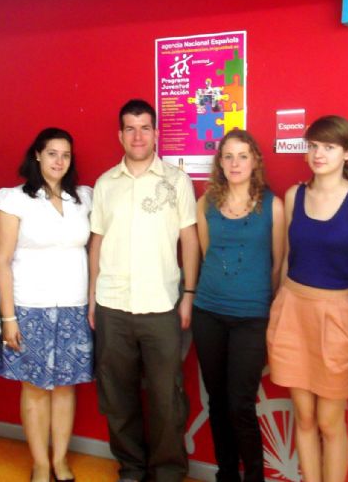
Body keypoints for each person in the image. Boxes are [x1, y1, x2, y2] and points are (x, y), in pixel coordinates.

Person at [88, 99, 200, 482]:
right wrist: (92, 298)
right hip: (112, 305)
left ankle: (167, 472)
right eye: (130, 128)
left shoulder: (177, 181)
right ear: (120, 135)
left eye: (145, 128)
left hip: (162, 306)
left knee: (167, 398)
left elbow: (189, 239)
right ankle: (132, 467)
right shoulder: (105, 184)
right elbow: (97, 242)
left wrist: (189, 294)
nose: (138, 136)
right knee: (117, 396)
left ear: (155, 133)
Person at [267, 115, 348, 482]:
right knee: (304, 417)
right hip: (293, 310)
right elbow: (288, 259)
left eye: (329, 147)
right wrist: (277, 307)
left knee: (330, 422)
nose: (318, 154)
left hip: (336, 315)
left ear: (347, 153)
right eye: (313, 146)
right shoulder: (294, 195)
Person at [0, 128, 93, 482]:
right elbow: (1, 259)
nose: (59, 161)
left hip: (74, 307)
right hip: (29, 307)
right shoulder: (14, 199)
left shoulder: (83, 198)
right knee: (34, 389)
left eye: (65, 154)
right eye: (52, 153)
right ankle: (39, 463)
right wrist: (8, 316)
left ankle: (60, 460)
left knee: (65, 386)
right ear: (37, 154)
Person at [192, 129, 284, 482]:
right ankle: (226, 473)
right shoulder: (206, 203)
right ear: (220, 162)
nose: (235, 163)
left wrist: (259, 302)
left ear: (255, 161)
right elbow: (206, 254)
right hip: (208, 313)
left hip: (251, 317)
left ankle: (254, 477)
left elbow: (277, 263)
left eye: (242, 156)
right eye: (228, 156)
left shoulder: (273, 206)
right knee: (217, 401)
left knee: (240, 403)